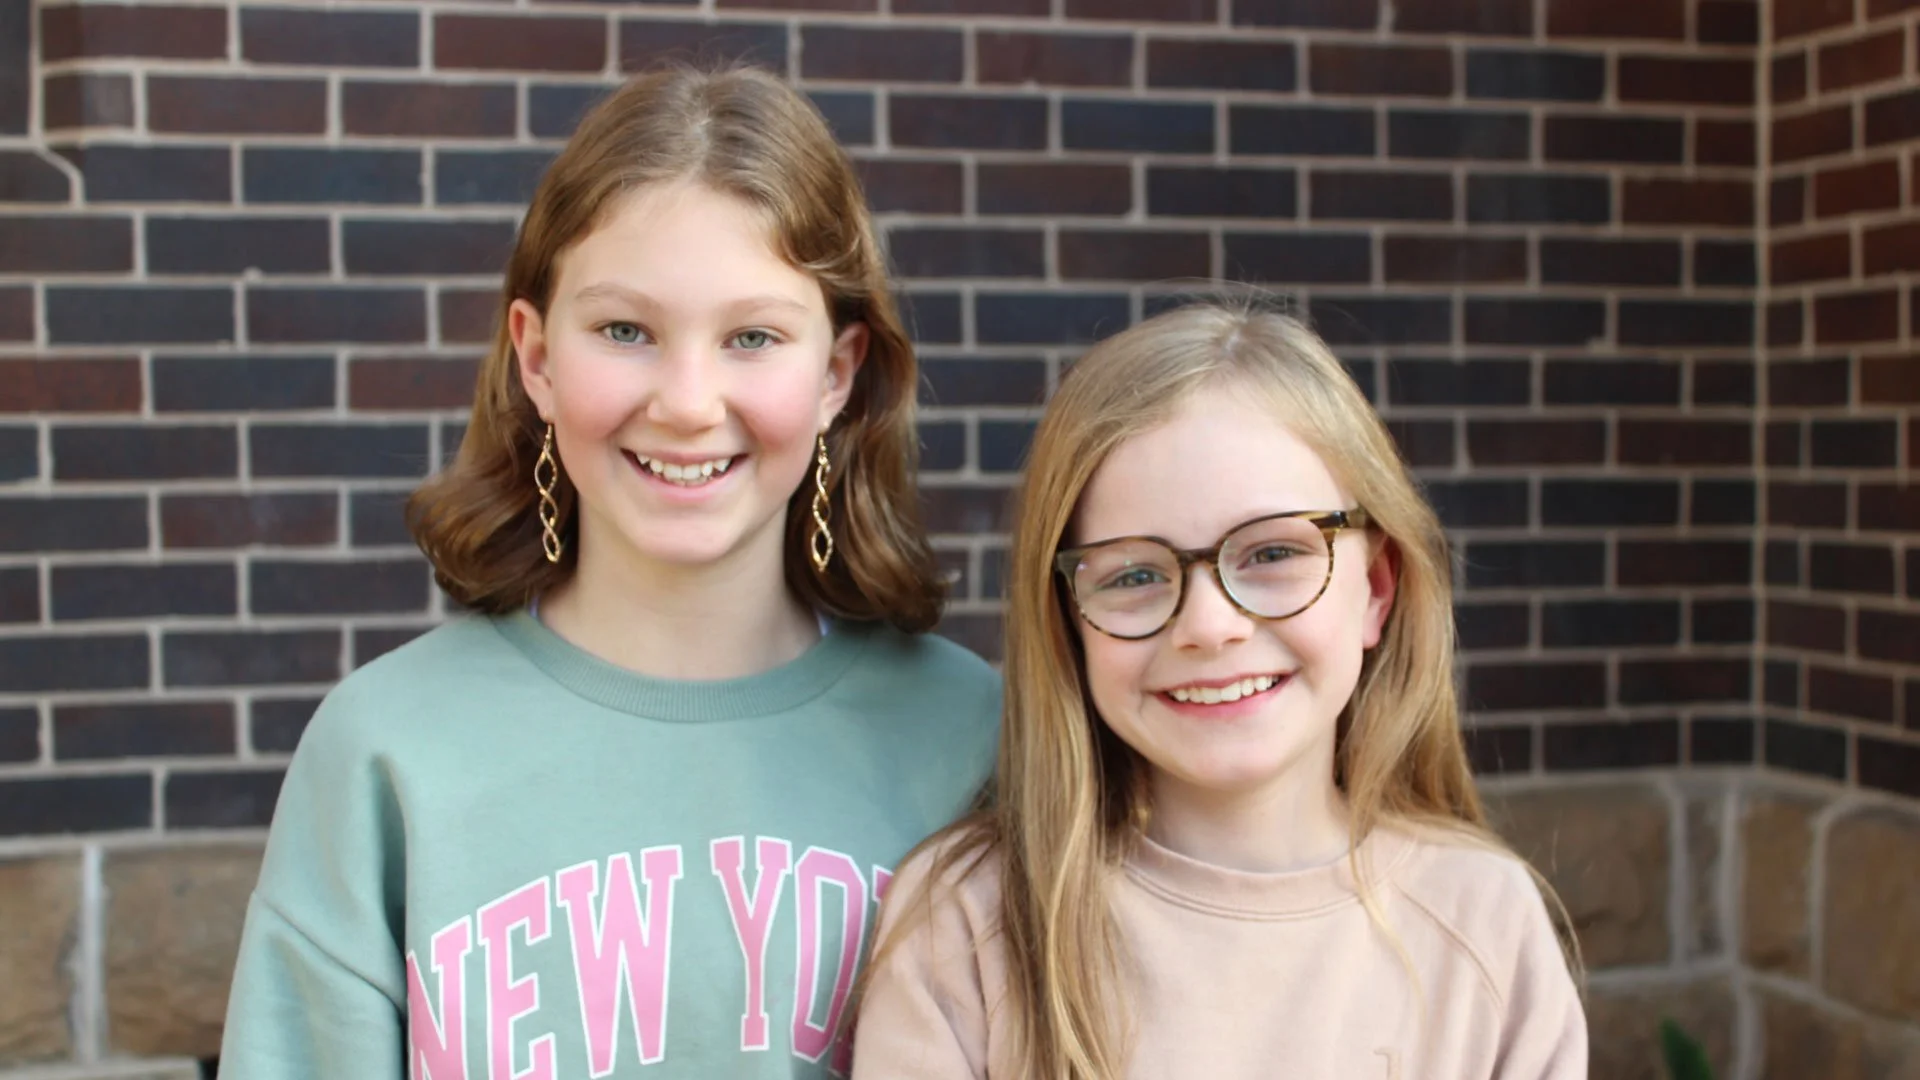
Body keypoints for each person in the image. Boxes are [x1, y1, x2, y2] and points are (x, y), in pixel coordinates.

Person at [219, 66, 999, 1079]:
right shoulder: (387, 752)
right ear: (537, 357)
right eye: (625, 331)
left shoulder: (971, 739)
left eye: (752, 337)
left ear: (837, 374)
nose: (685, 401)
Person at [852, 302, 1586, 1079]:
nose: (1209, 624)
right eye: (1135, 573)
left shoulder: (1484, 923)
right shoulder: (970, 923)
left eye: (1272, 552)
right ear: (1068, 619)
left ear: (1374, 588)